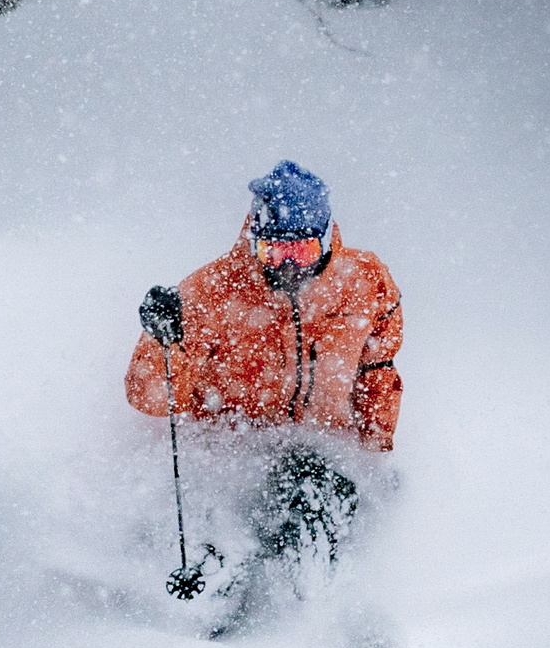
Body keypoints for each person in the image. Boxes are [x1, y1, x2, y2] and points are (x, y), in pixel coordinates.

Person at [126, 160, 402, 571]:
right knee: (284, 500)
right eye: (272, 251)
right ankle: (223, 597)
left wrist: (374, 452)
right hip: (235, 453)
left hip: (318, 450)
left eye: (302, 250)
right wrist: (164, 338)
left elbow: (377, 370)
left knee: (330, 489)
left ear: (327, 240)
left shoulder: (364, 281)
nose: (288, 265)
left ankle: (321, 605)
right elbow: (149, 396)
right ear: (254, 240)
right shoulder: (213, 292)